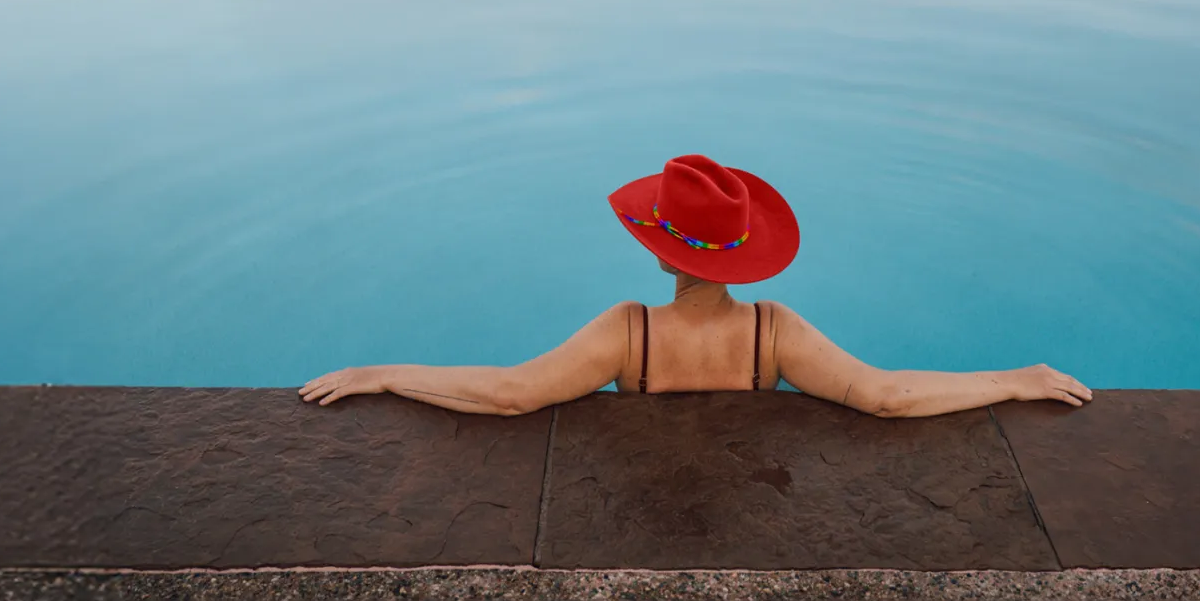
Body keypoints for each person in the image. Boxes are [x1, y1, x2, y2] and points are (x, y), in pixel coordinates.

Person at [300, 154, 1092, 417]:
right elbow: (887, 396)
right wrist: (1011, 382)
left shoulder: (629, 332)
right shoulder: (774, 332)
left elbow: (512, 394)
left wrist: (386, 375)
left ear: (661, 253)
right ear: (743, 255)